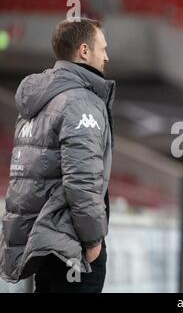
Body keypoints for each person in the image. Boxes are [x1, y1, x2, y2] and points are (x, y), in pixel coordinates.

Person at [0, 18, 115, 293]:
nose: (107, 56)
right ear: (84, 51)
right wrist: (93, 243)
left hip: (44, 241)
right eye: (102, 48)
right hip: (70, 245)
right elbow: (82, 180)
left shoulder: (41, 100)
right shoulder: (80, 102)